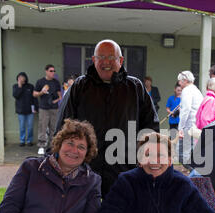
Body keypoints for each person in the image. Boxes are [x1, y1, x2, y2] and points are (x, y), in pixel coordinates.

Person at [56, 39, 159, 197]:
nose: (106, 62)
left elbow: (150, 127)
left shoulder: (135, 87)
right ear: (93, 60)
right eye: (101, 57)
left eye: (111, 58)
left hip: (125, 169)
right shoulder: (79, 86)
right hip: (85, 169)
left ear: (121, 60)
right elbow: (63, 128)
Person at [33, 64, 62, 156]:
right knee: (43, 127)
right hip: (44, 108)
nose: (53, 73)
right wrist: (42, 92)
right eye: (51, 71)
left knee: (54, 127)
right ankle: (41, 146)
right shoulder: (40, 82)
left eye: (54, 71)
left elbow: (60, 95)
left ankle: (53, 146)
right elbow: (34, 94)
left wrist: (56, 101)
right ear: (46, 71)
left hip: (54, 109)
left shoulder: (56, 82)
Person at [177, 70, 203, 171]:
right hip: (195, 125)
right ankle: (197, 174)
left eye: (180, 81)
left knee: (181, 155)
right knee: (191, 154)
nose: (179, 83)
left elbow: (186, 110)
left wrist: (181, 127)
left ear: (185, 80)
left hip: (188, 126)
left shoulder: (187, 91)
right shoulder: (196, 90)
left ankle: (196, 175)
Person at [12, 72, 38, 147]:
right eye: (19, 77)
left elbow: (34, 98)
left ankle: (29, 141)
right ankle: (22, 141)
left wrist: (35, 108)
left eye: (22, 77)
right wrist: (20, 86)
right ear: (17, 78)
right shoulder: (15, 86)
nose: (21, 79)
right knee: (22, 127)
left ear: (25, 78)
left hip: (30, 110)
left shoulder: (30, 86)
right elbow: (15, 95)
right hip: (20, 110)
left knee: (30, 127)